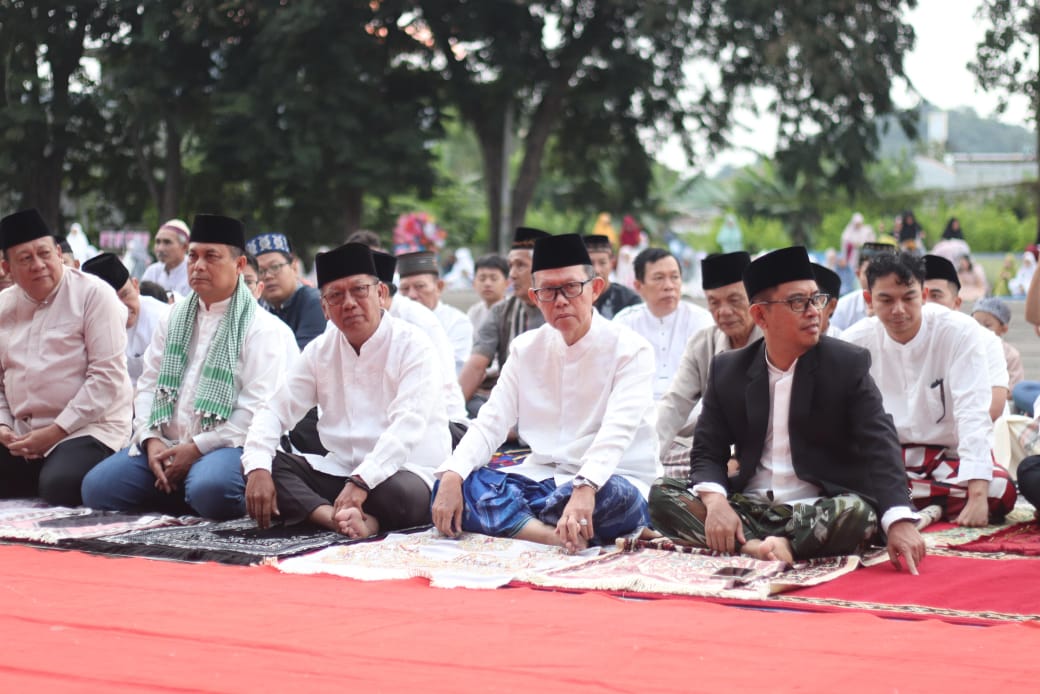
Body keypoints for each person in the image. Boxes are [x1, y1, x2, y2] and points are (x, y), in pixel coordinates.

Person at [648, 246, 925, 569]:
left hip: (817, 508)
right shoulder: (728, 369)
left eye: (816, 299)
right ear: (761, 316)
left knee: (858, 513)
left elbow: (881, 442)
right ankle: (756, 546)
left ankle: (774, 545)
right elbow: (708, 451)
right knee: (662, 494)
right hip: (749, 506)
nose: (813, 311)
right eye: (797, 302)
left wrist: (898, 519)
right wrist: (716, 501)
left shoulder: (846, 363)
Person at [432, 234, 660, 552]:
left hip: (612, 477)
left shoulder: (631, 349)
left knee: (616, 499)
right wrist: (454, 474)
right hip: (542, 477)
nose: (561, 300)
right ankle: (551, 534)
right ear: (535, 297)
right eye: (549, 291)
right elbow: (491, 422)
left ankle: (522, 521)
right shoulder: (525, 349)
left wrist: (586, 486)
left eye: (571, 287)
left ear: (595, 288)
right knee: (452, 484)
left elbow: (616, 433)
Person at [81, 215, 298, 519]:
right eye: (193, 256)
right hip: (167, 443)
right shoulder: (174, 317)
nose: (198, 266)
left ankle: (194, 491)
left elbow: (256, 411)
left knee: (211, 489)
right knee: (97, 488)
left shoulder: (262, 328)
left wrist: (196, 448)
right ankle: (179, 488)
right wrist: (151, 440)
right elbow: (148, 385)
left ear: (239, 265)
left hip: (229, 446)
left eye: (211, 256)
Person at [241, 243, 448, 535]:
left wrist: (362, 481)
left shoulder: (414, 345)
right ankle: (334, 518)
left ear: (381, 294)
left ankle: (365, 519)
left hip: (405, 471)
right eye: (336, 296)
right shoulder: (320, 351)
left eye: (359, 290)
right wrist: (258, 467)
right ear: (324, 308)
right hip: (342, 472)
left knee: (399, 495)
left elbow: (407, 426)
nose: (349, 303)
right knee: (260, 465)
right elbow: (274, 409)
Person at [840, 252, 1017, 526]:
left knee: (1000, 489)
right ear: (869, 300)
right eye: (886, 300)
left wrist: (978, 495)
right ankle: (928, 503)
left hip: (948, 458)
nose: (899, 310)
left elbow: (973, 412)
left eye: (908, 298)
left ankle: (896, 504)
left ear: (923, 295)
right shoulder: (854, 342)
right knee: (843, 484)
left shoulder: (959, 331)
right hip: (887, 458)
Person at [0, 209, 133, 506]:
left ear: (59, 253)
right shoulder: (3, 307)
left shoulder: (95, 295)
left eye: (45, 253)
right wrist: (3, 427)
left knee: (59, 485)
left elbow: (106, 378)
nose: (38, 265)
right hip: (23, 432)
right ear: (7, 268)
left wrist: (54, 432)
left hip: (88, 427)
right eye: (25, 258)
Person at [457, 227, 549, 416]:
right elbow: (476, 365)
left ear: (542, 269)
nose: (512, 274)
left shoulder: (561, 309)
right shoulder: (501, 311)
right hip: (508, 402)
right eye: (511, 266)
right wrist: (449, 414)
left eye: (520, 265)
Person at [614, 248, 712, 400]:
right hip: (638, 407)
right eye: (658, 278)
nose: (669, 286)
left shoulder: (701, 320)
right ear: (638, 286)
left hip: (690, 408)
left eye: (674, 277)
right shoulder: (624, 323)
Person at [921, 254, 1010, 420]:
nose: (927, 305)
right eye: (920, 296)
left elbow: (994, 407)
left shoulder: (985, 340)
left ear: (956, 303)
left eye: (936, 296)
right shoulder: (902, 340)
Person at [82, 253, 171, 387]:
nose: (122, 307)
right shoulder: (86, 325)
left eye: (125, 295)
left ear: (136, 286)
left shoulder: (163, 318)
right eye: (111, 301)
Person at [245, 233, 326, 350]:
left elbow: (303, 356)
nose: (268, 276)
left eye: (275, 267)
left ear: (294, 267)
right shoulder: (255, 309)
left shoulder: (315, 302)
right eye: (260, 271)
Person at [397, 250, 473, 375]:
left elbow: (455, 370)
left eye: (419, 286)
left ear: (439, 286)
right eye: (404, 288)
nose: (411, 295)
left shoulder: (457, 322)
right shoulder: (395, 322)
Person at [831, 241, 897, 331]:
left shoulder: (905, 307)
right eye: (870, 273)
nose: (877, 280)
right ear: (858, 274)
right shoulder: (842, 309)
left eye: (885, 274)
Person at [582, 234, 642, 319]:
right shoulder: (574, 298)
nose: (597, 270)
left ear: (612, 263)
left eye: (602, 263)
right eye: (591, 263)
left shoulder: (629, 300)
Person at [972, 297, 1024, 392]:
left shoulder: (1011, 355)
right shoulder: (966, 348)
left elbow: (1015, 387)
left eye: (987, 325)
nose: (981, 329)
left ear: (1003, 329)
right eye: (976, 324)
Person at [140, 219, 192, 298]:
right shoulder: (152, 271)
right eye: (158, 242)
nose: (160, 248)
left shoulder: (194, 272)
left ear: (184, 246)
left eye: (167, 242)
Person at [466, 254, 509, 331]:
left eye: (494, 278)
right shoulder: (473, 312)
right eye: (482, 279)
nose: (487, 284)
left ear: (507, 283)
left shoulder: (512, 311)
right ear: (474, 283)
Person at [811, 263, 842, 336]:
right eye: (799, 300)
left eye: (815, 300)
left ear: (832, 305)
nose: (808, 310)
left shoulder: (845, 339)